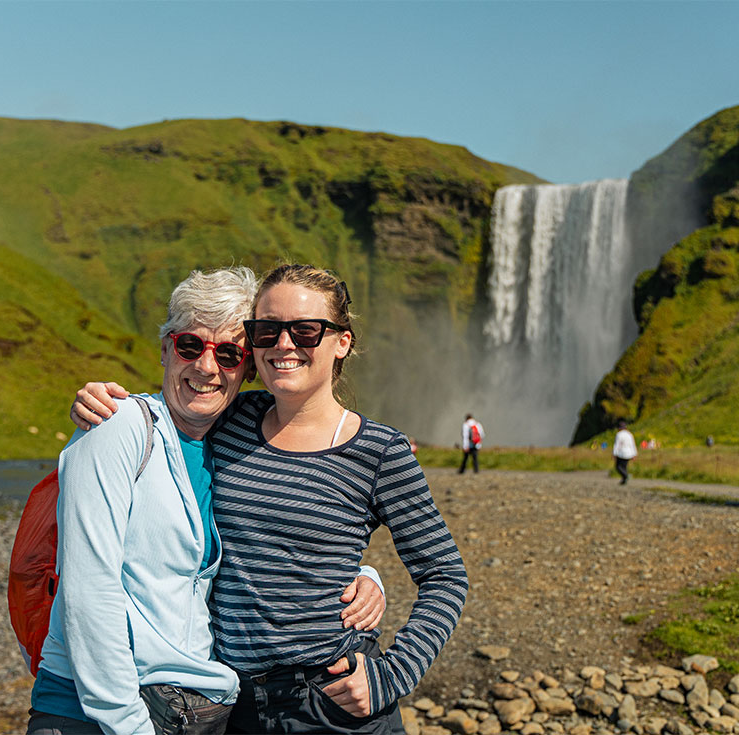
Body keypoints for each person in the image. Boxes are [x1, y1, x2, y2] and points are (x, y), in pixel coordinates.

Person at [73, 264, 468, 734]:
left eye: (305, 330)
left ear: (342, 341)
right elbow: (181, 403)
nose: (284, 344)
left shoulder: (379, 452)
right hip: (233, 705)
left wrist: (392, 675)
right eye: (267, 331)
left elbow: (445, 575)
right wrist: (103, 403)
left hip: (332, 701)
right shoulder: (233, 419)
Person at [612, 420, 637, 485]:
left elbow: (617, 445)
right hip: (629, 453)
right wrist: (634, 454)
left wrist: (614, 453)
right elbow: (632, 444)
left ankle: (626, 476)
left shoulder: (619, 434)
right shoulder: (629, 434)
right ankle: (624, 480)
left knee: (618, 467)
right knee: (624, 467)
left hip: (621, 453)